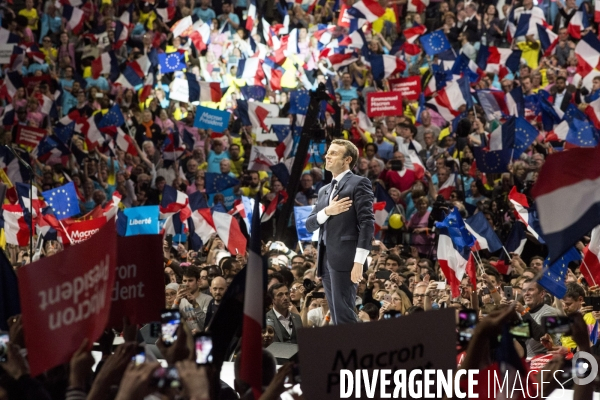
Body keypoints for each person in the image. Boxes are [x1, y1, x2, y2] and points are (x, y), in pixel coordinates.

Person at [306, 139, 375, 324]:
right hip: (326, 259)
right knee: (336, 315)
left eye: (334, 153)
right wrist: (328, 211)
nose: (327, 155)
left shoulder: (359, 183)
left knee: (344, 314)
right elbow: (309, 224)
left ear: (347, 160)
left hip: (347, 259)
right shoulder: (323, 191)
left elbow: (367, 223)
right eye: (328, 152)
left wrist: (359, 261)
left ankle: (353, 351)